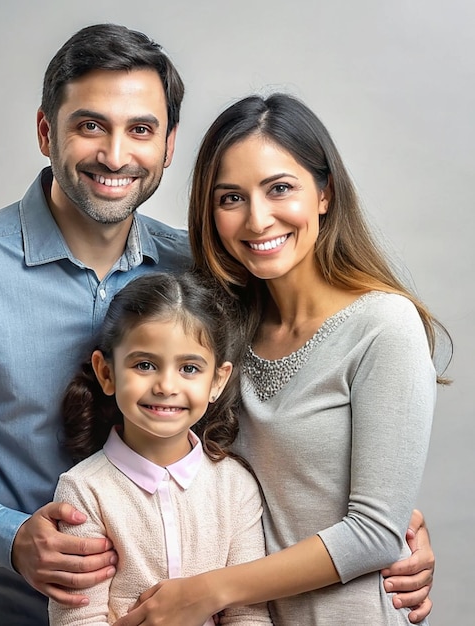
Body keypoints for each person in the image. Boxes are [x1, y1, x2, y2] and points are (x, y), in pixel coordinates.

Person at [0, 23, 434, 626]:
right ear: (44, 132)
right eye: (90, 125)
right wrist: (7, 535)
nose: (115, 154)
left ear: (167, 145)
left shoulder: (203, 274)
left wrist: (387, 527)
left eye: (140, 129)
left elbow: (290, 428)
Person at [113, 93, 449, 626]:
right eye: (230, 198)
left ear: (324, 193)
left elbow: (376, 533)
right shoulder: (219, 332)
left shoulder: (384, 325)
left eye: (280, 188)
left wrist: (207, 591)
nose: (257, 219)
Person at [49, 271, 272, 625]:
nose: (167, 385)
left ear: (217, 380)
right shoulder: (84, 490)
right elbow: (76, 617)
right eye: (145, 365)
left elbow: (249, 613)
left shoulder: (236, 487)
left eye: (189, 368)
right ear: (106, 374)